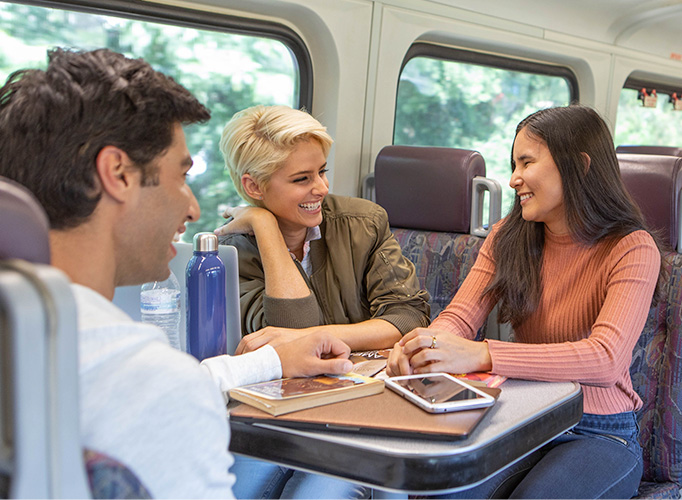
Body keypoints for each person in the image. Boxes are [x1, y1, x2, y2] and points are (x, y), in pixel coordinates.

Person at [0, 48, 359, 499]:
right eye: (180, 175)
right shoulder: (154, 384)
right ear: (117, 174)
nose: (192, 207)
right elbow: (156, 389)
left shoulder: (36, 332)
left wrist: (269, 361)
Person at [387, 105, 665, 499]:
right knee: (444, 491)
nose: (514, 179)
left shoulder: (632, 248)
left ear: (579, 166)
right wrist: (426, 348)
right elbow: (461, 317)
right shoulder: (508, 236)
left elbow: (605, 359)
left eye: (526, 162)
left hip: (602, 432)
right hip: (525, 418)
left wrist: (481, 355)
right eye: (514, 164)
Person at [216, 104, 430, 355]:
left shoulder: (363, 223)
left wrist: (319, 336)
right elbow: (291, 328)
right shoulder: (229, 255)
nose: (322, 188)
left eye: (322, 171)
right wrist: (264, 226)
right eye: (302, 179)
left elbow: (409, 316)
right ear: (254, 187)